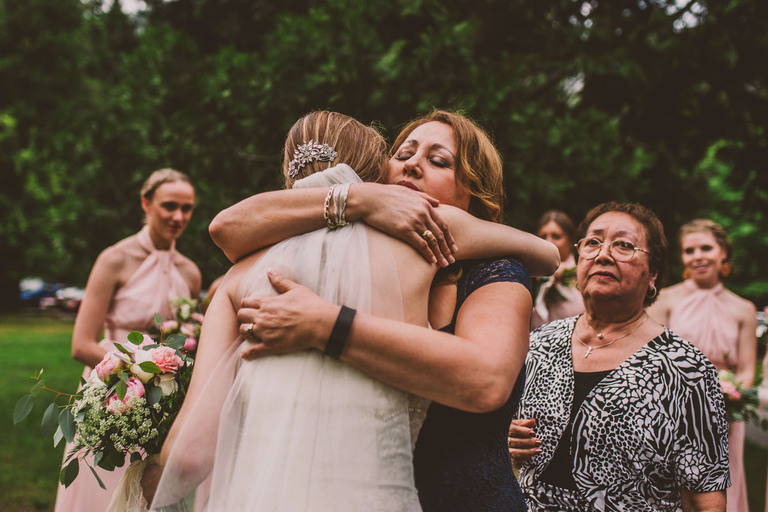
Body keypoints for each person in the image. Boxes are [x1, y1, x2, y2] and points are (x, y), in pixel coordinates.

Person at [143, 111, 559, 510]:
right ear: (377, 174)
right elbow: (225, 227)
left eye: (437, 161)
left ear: (475, 195)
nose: (413, 165)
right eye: (403, 154)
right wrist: (357, 199)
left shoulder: (492, 269)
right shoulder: (389, 246)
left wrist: (325, 324)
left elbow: (487, 379)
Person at [508, 202, 730, 512]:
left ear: (653, 274)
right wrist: (509, 441)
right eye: (592, 243)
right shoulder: (539, 345)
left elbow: (704, 494)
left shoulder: (685, 369)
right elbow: (504, 441)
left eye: (624, 245)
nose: (603, 254)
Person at [54, 168, 201, 512]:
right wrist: (134, 376)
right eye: (169, 206)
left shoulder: (191, 272)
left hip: (164, 407)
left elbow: (186, 339)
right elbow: (82, 343)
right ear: (146, 204)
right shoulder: (114, 260)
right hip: (111, 398)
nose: (178, 216)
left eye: (187, 208)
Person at [648, 219, 757, 512]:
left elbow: (747, 370)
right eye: (689, 250)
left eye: (706, 248)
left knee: (723, 485)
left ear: (723, 253)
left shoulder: (744, 309)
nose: (697, 256)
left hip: (726, 415)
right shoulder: (666, 299)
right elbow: (657, 358)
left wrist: (731, 398)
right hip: (676, 409)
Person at [531, 210, 584, 328]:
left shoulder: (582, 272)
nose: (548, 242)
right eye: (543, 236)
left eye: (556, 236)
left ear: (570, 241)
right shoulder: (530, 275)